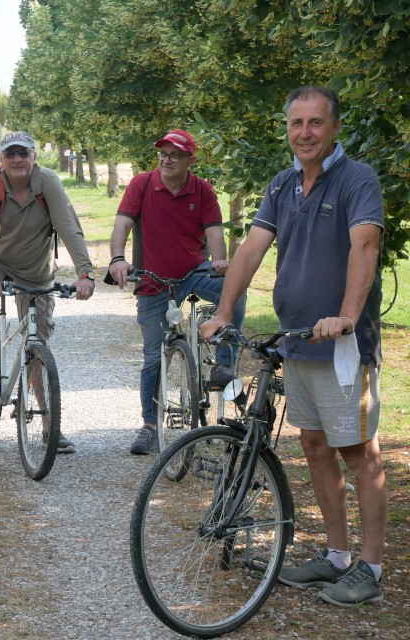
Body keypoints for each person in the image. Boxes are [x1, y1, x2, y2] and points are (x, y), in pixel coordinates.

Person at [200, 86, 387, 607]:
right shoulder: (283, 185)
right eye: (296, 123)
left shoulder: (357, 178)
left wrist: (348, 317)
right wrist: (222, 311)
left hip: (343, 347)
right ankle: (336, 557)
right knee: (315, 446)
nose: (305, 133)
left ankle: (369, 568)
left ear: (334, 128)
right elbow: (251, 250)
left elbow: (364, 244)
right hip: (298, 342)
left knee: (357, 453)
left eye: (315, 123)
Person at [0, 131, 95, 455]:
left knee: (37, 347)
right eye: (10, 154)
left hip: (36, 272)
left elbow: (69, 229)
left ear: (33, 157)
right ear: (1, 160)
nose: (17, 159)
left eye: (23, 154)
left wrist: (85, 273)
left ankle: (48, 428)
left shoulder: (48, 183)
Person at [108, 129, 247, 455]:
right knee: (154, 353)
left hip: (194, 273)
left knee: (235, 292)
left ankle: (222, 366)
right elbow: (121, 225)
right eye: (163, 153)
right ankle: (149, 427)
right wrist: (117, 259)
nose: (166, 159)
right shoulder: (142, 184)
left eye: (174, 154)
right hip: (153, 279)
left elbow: (214, 234)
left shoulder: (202, 190)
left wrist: (220, 261)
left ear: (189, 160)